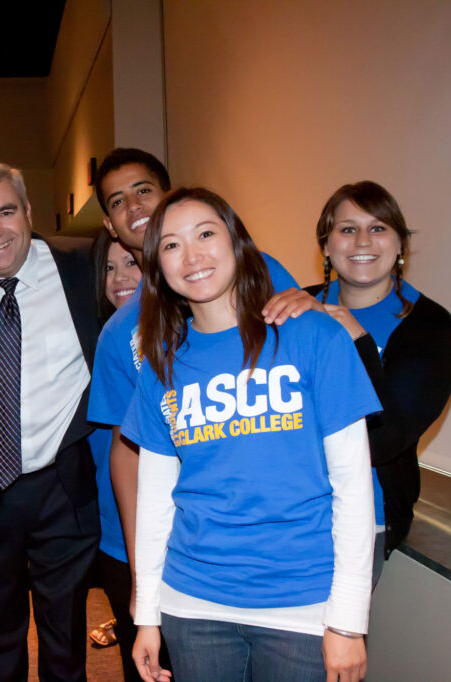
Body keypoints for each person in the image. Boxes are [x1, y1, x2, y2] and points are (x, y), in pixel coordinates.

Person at [122, 188, 379, 682]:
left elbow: (353, 485)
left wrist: (348, 622)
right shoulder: (161, 365)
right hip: (192, 602)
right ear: (157, 266)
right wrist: (148, 615)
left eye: (205, 234)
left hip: (303, 605)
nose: (192, 256)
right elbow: (155, 500)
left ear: (238, 242)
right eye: (171, 245)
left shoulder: (314, 337)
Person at [87, 148, 306, 616]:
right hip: (167, 537)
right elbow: (126, 450)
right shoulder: (118, 334)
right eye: (117, 201)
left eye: (144, 190)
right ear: (110, 225)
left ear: (168, 194)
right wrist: (140, 568)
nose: (134, 207)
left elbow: (304, 388)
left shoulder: (258, 273)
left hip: (272, 540)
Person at [0, 162, 100, 681]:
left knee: (66, 637)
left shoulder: (85, 264)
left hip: (65, 482)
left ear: (29, 211)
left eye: (6, 212)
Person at [307, 181, 451, 566]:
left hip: (360, 518)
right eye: (347, 229)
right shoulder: (294, 309)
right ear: (326, 246)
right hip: (277, 506)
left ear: (399, 245)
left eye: (378, 228)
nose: (362, 241)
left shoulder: (430, 327)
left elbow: (385, 439)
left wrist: (357, 338)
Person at [86, 230, 144, 680]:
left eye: (131, 263)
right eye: (109, 266)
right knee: (134, 653)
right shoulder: (101, 342)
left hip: (165, 527)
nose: (120, 277)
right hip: (112, 532)